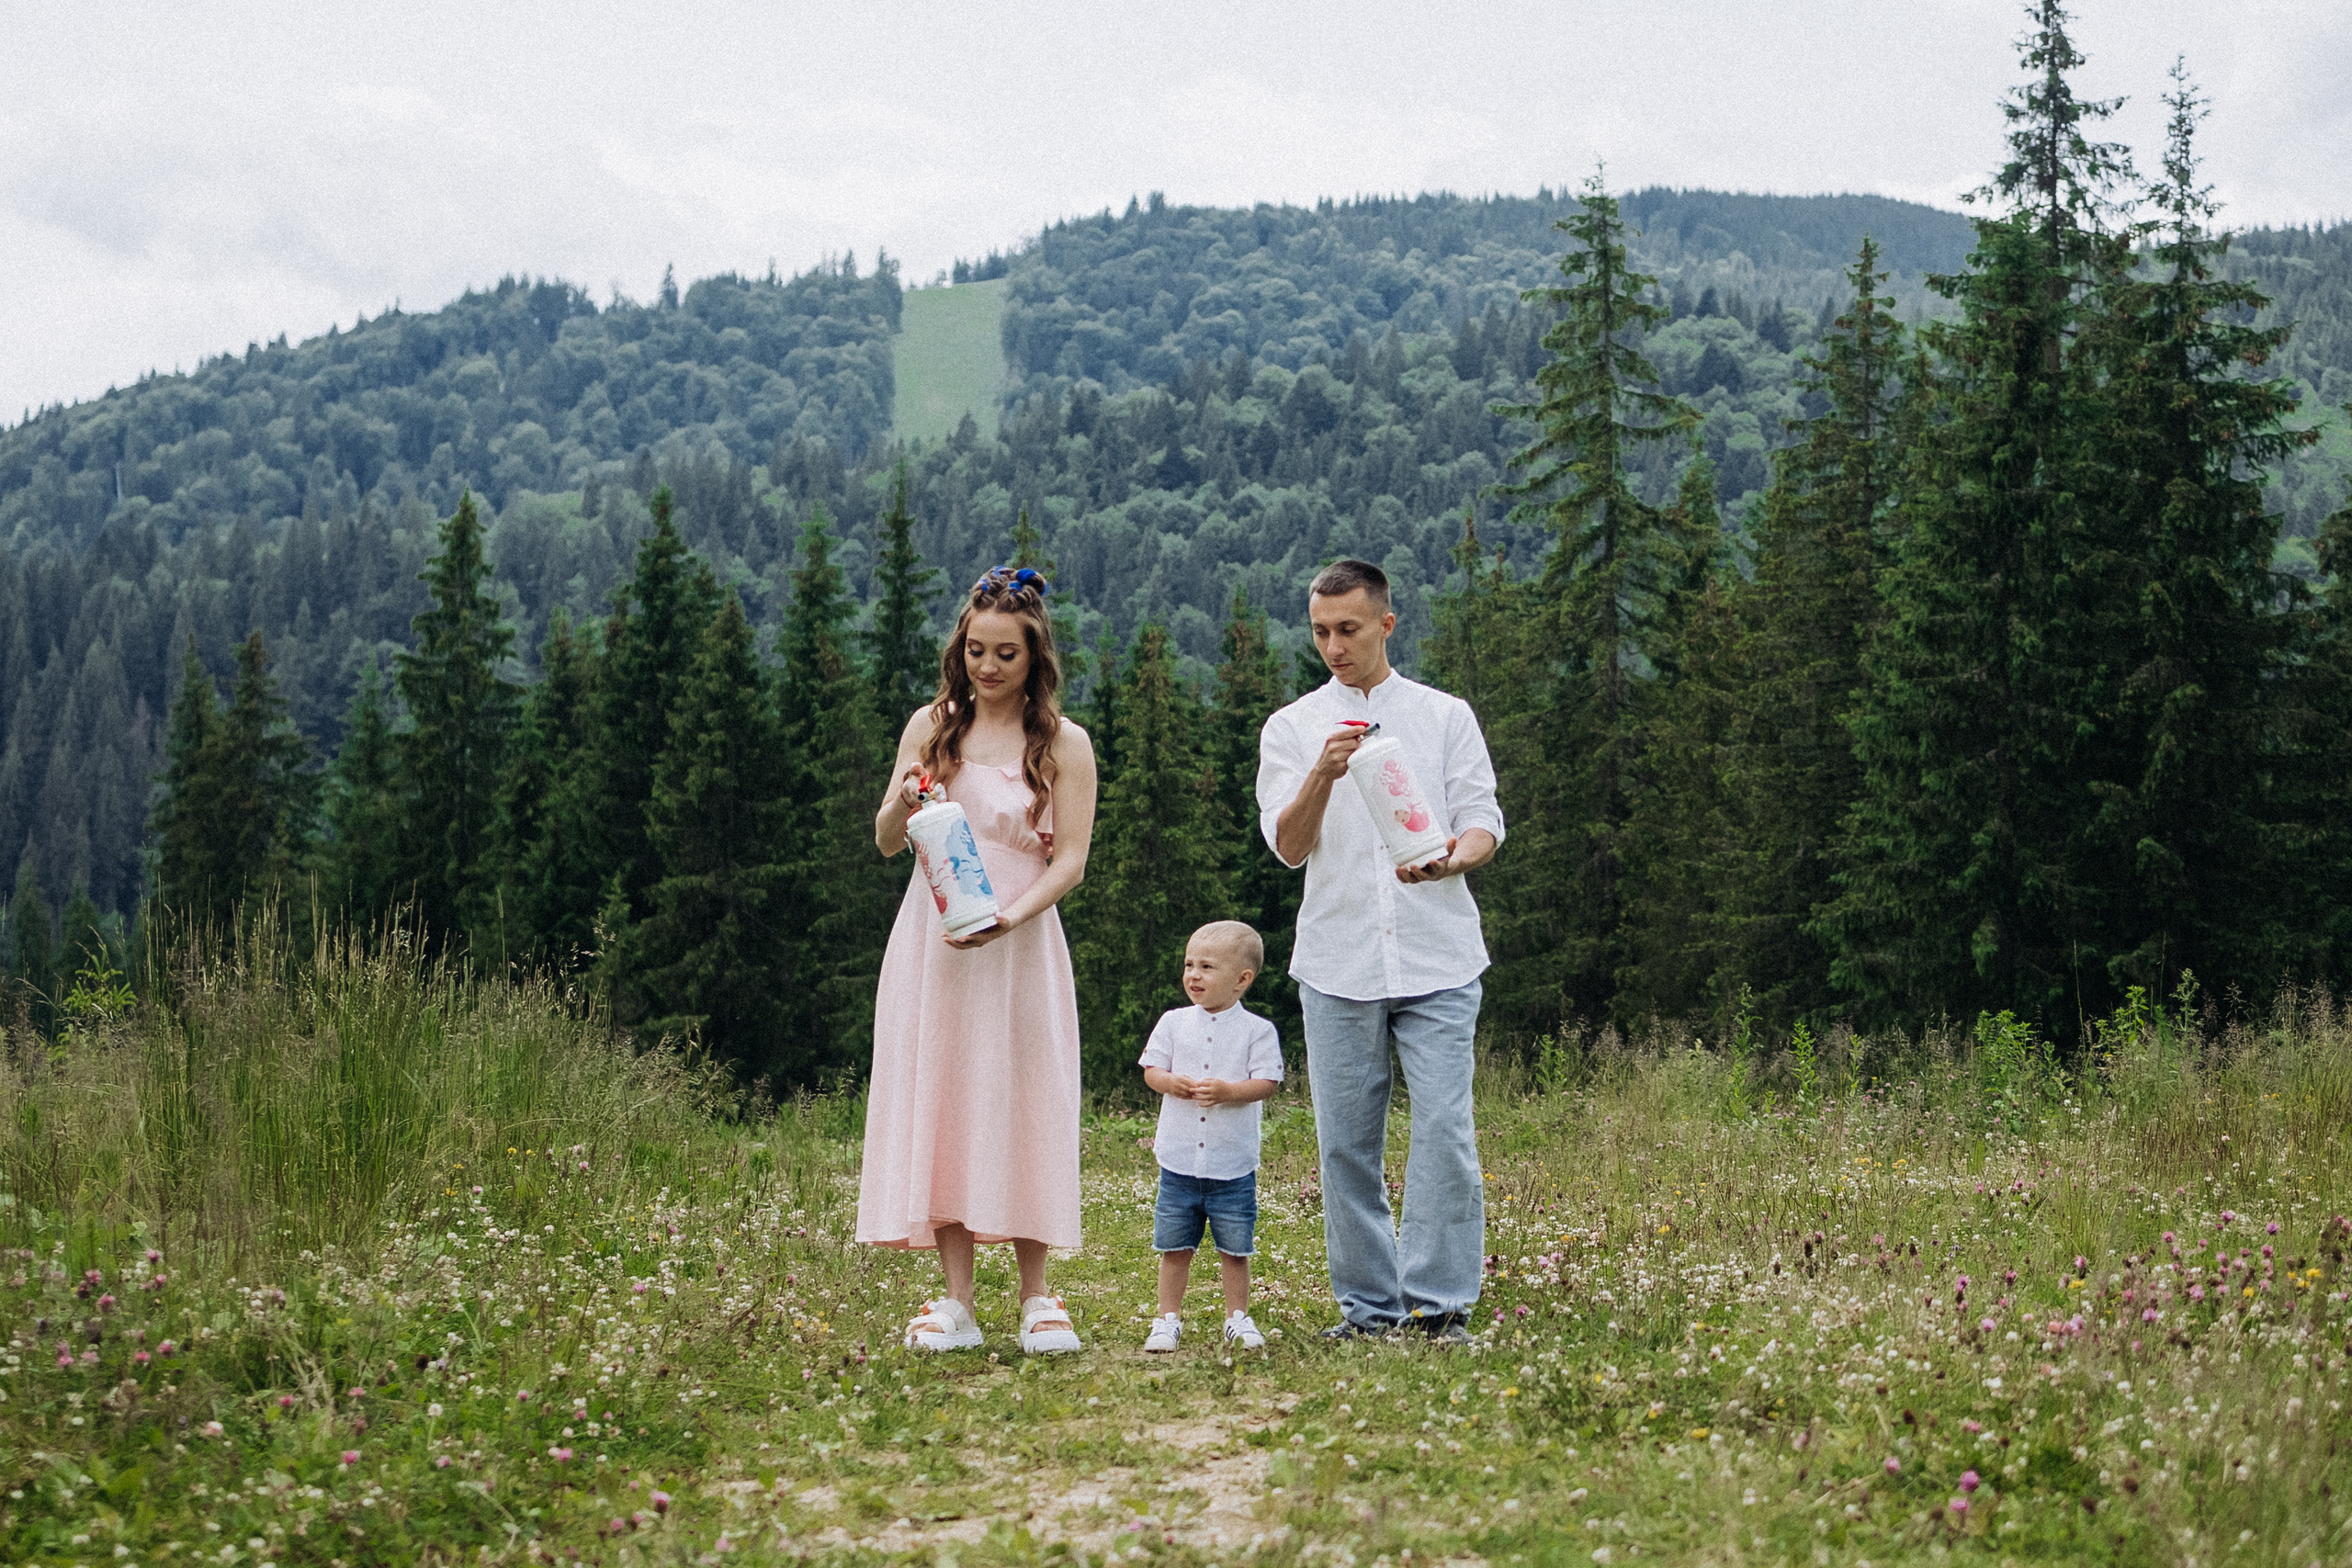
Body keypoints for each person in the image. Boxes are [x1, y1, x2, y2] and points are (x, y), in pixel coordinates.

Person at [1255, 558, 1503, 1342]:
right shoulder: (1292, 727)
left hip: (1439, 955)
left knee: (1445, 1131)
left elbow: (1482, 820)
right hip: (1338, 959)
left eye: (1349, 629)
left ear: (1386, 624)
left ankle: (1438, 1307)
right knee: (1346, 1147)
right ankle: (1367, 1311)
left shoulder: (1443, 715)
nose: (1334, 646)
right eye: (1320, 631)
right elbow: (1289, 846)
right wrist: (1322, 774)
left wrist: (1453, 859)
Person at [857, 564, 1099, 1356]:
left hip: (1020, 939)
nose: (988, 667)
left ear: (1035, 658)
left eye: (1006, 654)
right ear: (958, 649)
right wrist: (904, 796)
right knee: (947, 1093)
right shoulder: (931, 726)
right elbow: (887, 840)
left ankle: (1037, 1296)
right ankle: (956, 1300)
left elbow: (1071, 860)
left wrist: (1010, 918)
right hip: (935, 938)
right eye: (976, 651)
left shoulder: (1063, 742)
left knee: (1027, 1094)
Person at [1137, 920, 1284, 1354]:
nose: (1193, 975)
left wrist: (1229, 1092)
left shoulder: (1257, 1030)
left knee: (1235, 1248)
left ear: (1242, 980)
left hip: (1231, 1165)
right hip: (1179, 1162)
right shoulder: (1173, 1022)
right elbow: (1151, 1070)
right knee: (1174, 1246)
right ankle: (1167, 1319)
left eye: (1207, 967)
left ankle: (1237, 1317)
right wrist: (1170, 1082)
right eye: (1189, 965)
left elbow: (1268, 1083)